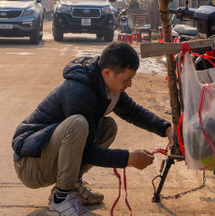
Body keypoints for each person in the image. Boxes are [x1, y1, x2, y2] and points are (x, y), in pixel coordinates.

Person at [11, 41, 172, 216]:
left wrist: (166, 129)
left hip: (45, 156)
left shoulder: (107, 86)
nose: (130, 85)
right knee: (78, 124)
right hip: (31, 165)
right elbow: (88, 152)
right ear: (108, 73)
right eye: (127, 79)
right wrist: (128, 159)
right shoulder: (79, 91)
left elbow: (134, 112)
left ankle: (70, 186)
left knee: (107, 127)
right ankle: (61, 199)